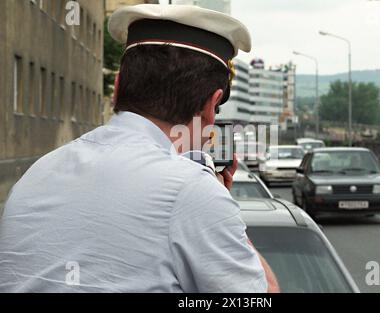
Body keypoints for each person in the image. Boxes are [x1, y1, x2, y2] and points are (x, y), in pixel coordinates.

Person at [0, 4, 279, 293]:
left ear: (117, 87)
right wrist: (218, 198)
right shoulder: (193, 191)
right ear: (211, 106)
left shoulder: (34, 177)